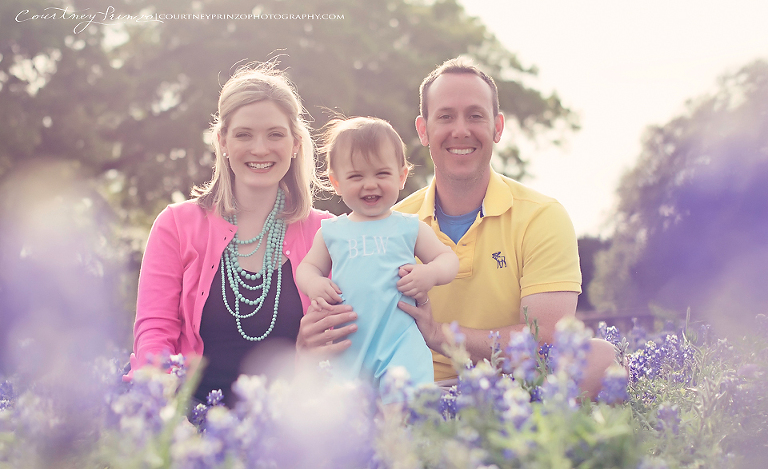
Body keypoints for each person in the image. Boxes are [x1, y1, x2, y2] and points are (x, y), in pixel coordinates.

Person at [297, 58, 616, 399]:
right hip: (411, 384)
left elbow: (547, 337)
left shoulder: (542, 216)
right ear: (423, 130)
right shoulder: (385, 220)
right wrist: (309, 341)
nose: (460, 130)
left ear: (498, 127)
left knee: (601, 357)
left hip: (513, 386)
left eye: (475, 115)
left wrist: (439, 335)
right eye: (446, 116)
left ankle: (506, 430)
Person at [128, 63, 332, 407]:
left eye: (275, 134)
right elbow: (154, 335)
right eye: (243, 134)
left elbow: (350, 340)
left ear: (296, 143)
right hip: (191, 427)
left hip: (291, 430)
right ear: (222, 141)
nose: (260, 148)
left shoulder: (328, 232)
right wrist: (158, 412)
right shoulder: (176, 225)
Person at [296, 117, 459, 394]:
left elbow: (448, 259)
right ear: (336, 182)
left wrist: (429, 274)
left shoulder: (409, 227)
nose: (370, 185)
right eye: (356, 176)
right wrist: (314, 284)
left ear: (401, 176)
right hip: (349, 343)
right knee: (351, 417)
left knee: (401, 413)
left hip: (400, 342)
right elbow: (307, 267)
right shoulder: (332, 232)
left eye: (381, 174)